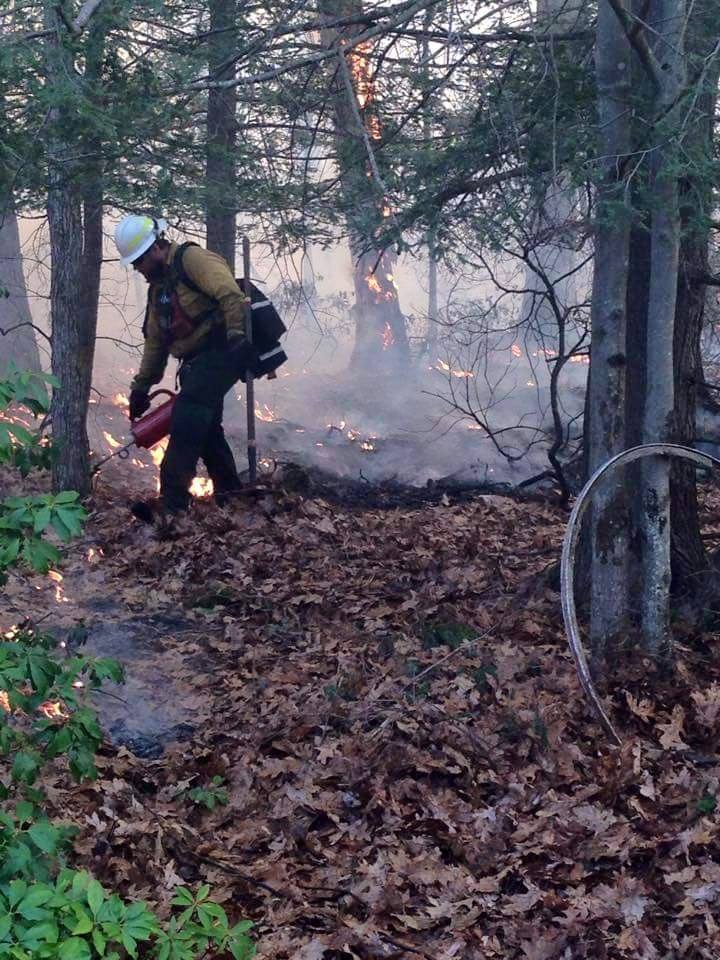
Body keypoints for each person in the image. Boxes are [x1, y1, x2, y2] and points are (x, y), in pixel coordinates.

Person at [115, 214, 257, 515]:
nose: (138, 269)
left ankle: (172, 506)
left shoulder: (191, 259)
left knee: (187, 418)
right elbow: (155, 341)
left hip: (222, 349)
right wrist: (141, 387)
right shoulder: (158, 289)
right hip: (196, 362)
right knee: (207, 432)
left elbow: (230, 293)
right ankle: (232, 496)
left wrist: (236, 336)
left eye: (139, 261)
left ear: (156, 248)